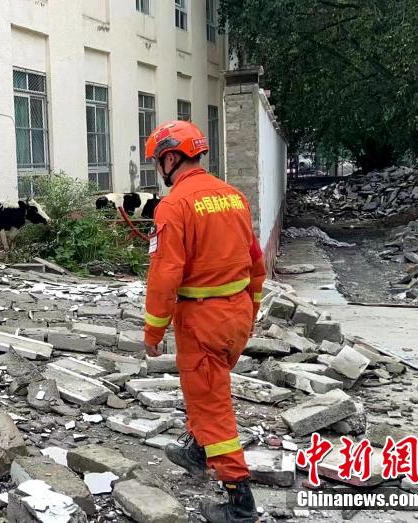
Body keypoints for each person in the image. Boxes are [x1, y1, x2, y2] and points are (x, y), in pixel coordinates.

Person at [142, 120, 266, 523]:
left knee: (212, 407)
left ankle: (239, 501)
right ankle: (197, 451)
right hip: (236, 317)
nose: (159, 169)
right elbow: (256, 262)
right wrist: (251, 311)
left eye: (159, 161)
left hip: (201, 322)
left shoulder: (174, 206)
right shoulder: (233, 197)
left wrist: (153, 330)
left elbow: (165, 275)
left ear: (171, 158)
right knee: (206, 391)